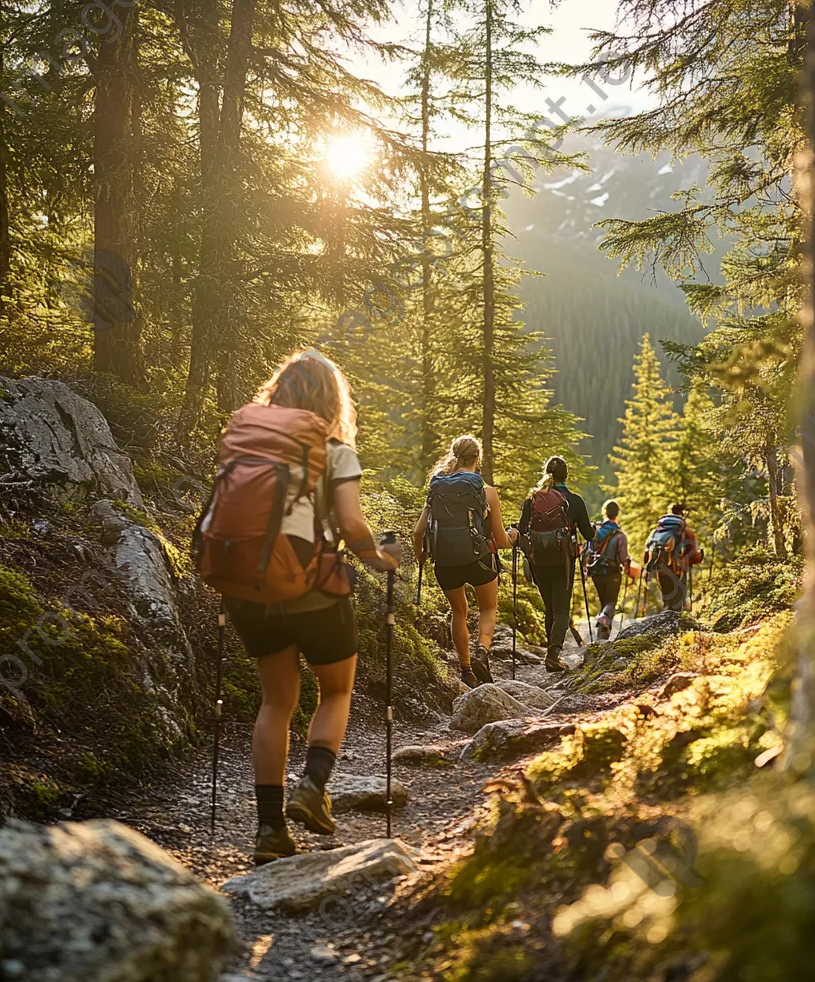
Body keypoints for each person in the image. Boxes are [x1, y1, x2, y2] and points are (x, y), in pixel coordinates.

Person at [219, 351, 402, 865]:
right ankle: (313, 787)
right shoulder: (334, 450)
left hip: (248, 584)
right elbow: (349, 524)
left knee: (276, 701)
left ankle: (269, 830)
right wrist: (379, 558)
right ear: (330, 399)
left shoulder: (245, 445)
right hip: (310, 584)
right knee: (336, 687)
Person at [413, 436, 517, 687]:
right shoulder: (487, 492)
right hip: (478, 559)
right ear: (477, 459)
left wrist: (421, 558)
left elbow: (417, 533)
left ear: (455, 456)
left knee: (458, 612)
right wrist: (514, 536)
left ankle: (466, 670)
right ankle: (482, 650)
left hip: (446, 562)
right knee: (488, 608)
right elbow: (501, 540)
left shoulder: (436, 489)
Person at [518, 456, 594, 672]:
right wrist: (592, 530)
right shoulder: (575, 500)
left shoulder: (532, 499)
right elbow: (588, 534)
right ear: (565, 476)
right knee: (561, 608)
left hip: (539, 560)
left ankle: (551, 654)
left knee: (550, 607)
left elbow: (523, 529)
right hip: (563, 561)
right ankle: (553, 655)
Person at [644, 503, 704, 613]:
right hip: (678, 571)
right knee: (677, 602)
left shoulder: (656, 531)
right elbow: (694, 557)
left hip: (661, 570)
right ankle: (674, 626)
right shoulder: (686, 531)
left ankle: (665, 623)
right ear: (681, 514)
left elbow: (647, 554)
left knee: (667, 599)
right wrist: (700, 555)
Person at [585, 499, 631, 640]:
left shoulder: (594, 532)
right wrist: (628, 565)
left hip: (596, 571)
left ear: (604, 512)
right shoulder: (619, 535)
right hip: (612, 572)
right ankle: (604, 620)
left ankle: (602, 634)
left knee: (604, 600)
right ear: (617, 514)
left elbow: (588, 552)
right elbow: (623, 558)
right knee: (611, 602)